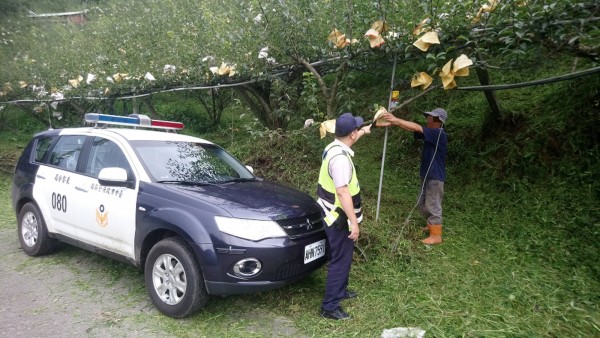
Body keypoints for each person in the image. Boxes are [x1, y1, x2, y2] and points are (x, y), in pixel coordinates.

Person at [316, 112, 371, 320]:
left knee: (343, 257)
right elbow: (342, 191)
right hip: (339, 218)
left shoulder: (334, 146)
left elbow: (355, 136)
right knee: (340, 260)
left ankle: (340, 291)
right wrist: (354, 223)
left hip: (330, 212)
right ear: (352, 134)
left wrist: (370, 128)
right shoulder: (341, 160)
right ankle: (329, 307)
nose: (359, 132)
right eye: (358, 129)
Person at [380, 108, 448, 245]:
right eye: (428, 117)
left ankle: (436, 236)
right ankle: (430, 225)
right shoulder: (431, 132)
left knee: (433, 203)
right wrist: (395, 122)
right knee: (422, 201)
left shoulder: (439, 133)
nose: (428, 119)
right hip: (427, 174)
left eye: (432, 118)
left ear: (439, 122)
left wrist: (396, 119)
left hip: (435, 176)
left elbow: (417, 127)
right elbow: (413, 129)